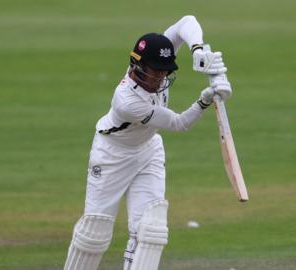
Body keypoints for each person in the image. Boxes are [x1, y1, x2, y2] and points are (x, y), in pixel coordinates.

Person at [63, 15, 232, 270]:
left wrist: (198, 48)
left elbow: (186, 21)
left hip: (148, 150)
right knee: (94, 232)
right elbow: (179, 123)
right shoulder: (127, 101)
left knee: (151, 230)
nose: (161, 77)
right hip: (112, 155)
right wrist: (205, 100)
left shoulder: (159, 62)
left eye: (165, 71)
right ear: (137, 66)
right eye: (156, 70)